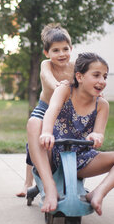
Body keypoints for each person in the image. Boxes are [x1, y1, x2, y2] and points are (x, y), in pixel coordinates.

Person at [30, 52, 114, 215]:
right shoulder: (65, 90)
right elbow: (51, 111)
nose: (102, 81)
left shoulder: (102, 105)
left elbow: (99, 132)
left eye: (105, 76)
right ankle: (49, 187)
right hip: (51, 150)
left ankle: (98, 193)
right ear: (79, 77)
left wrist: (96, 136)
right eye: (96, 75)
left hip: (80, 159)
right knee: (33, 123)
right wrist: (46, 133)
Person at [16, 23, 75, 197]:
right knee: (34, 137)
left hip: (65, 111)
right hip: (45, 107)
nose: (61, 54)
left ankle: (65, 176)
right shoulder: (46, 65)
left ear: (71, 48)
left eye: (65, 49)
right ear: (47, 53)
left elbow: (86, 80)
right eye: (55, 50)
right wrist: (59, 87)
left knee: (66, 141)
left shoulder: (75, 66)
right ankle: (28, 182)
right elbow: (47, 78)